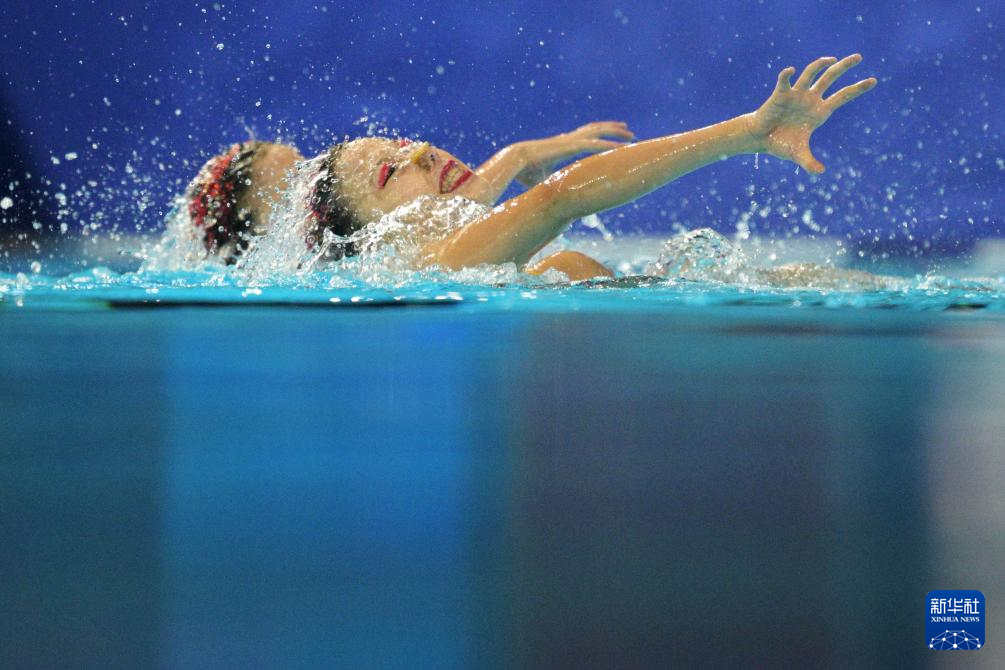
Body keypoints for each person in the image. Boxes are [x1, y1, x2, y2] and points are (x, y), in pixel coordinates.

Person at [304, 54, 876, 280]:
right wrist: (746, 132)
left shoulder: (455, 256)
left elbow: (487, 189)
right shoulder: (436, 263)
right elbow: (560, 197)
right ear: (372, 234)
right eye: (389, 173)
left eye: (403, 142)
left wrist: (523, 153)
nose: (422, 152)